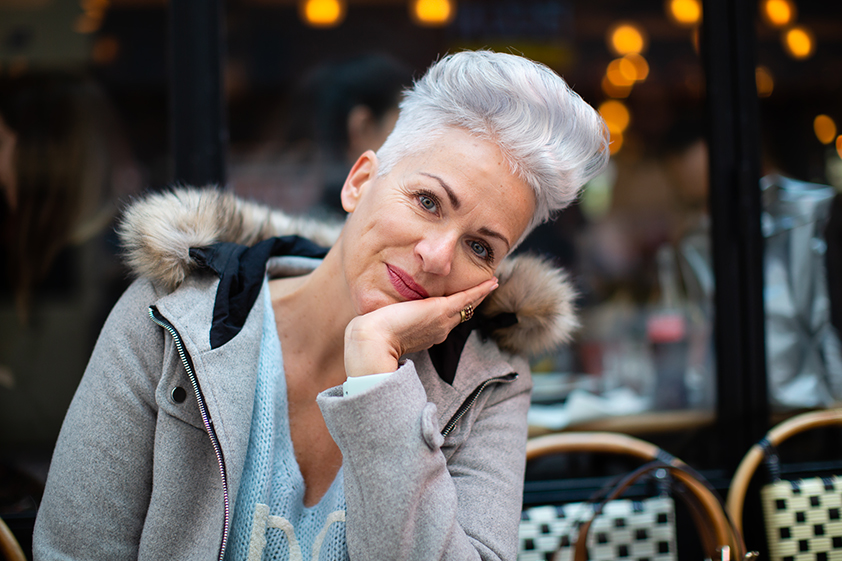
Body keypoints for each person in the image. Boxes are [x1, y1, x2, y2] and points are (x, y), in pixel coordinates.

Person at [33, 50, 608, 560]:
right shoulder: (168, 319)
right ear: (360, 181)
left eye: (480, 246)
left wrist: (376, 384)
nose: (436, 256)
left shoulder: (489, 378)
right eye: (428, 201)